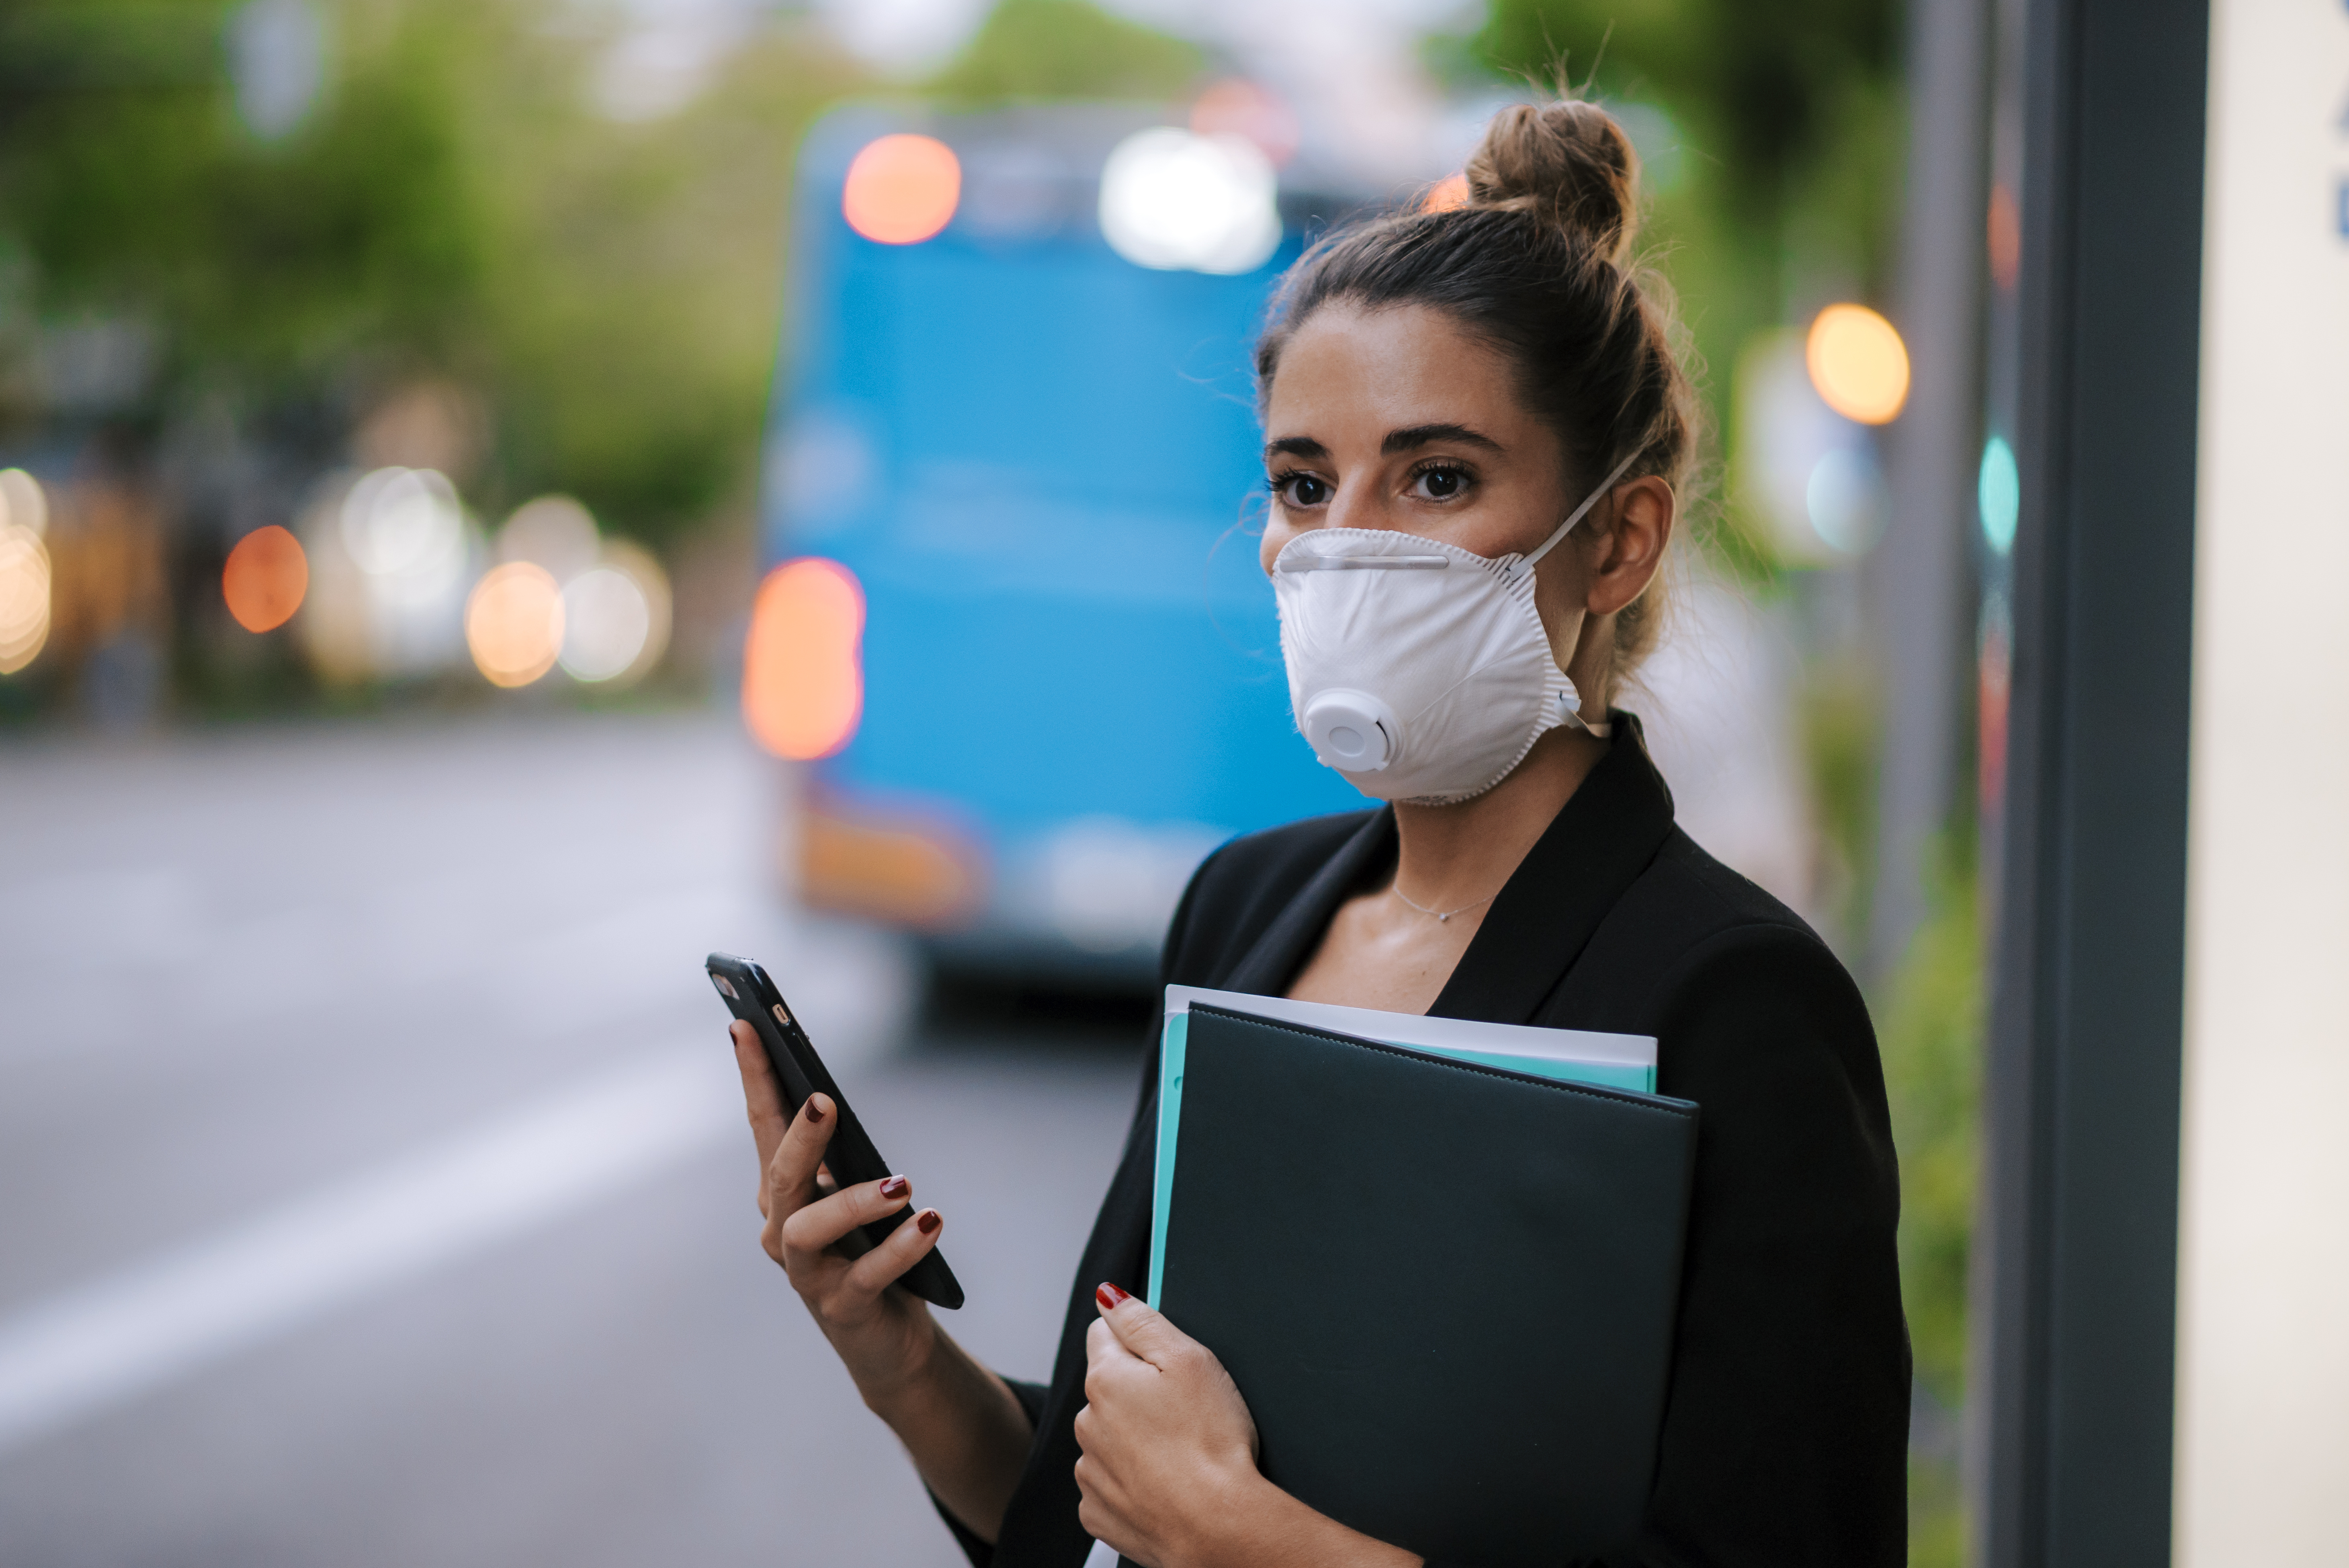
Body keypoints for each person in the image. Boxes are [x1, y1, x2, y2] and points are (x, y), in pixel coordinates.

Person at [729, 95, 1910, 1568]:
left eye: (1436, 478)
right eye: (1303, 482)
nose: (1343, 541)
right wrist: (898, 1357)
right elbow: (1098, 1514)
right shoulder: (1245, 911)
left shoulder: (1739, 999)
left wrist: (1243, 1536)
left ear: (1620, 539)